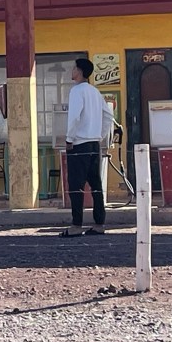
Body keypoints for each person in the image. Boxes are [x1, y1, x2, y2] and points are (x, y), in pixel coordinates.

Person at [62, 58, 113, 237]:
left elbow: (75, 116)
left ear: (80, 71)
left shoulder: (76, 91)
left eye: (74, 68)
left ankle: (76, 225)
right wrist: (100, 135)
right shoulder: (95, 91)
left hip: (79, 144)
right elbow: (108, 116)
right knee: (96, 185)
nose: (72, 71)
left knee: (76, 185)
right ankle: (99, 223)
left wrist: (69, 139)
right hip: (94, 144)